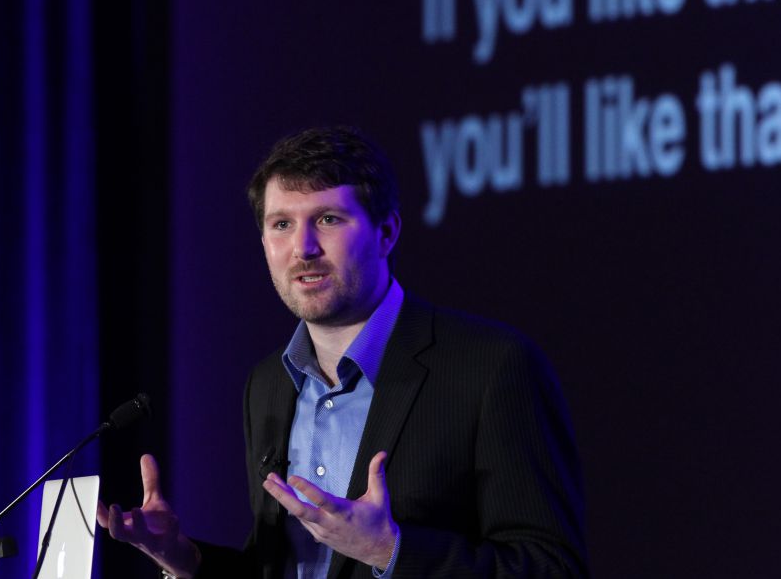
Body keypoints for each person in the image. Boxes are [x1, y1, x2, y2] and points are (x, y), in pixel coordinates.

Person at [98, 126, 588, 578]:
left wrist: (390, 550)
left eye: (328, 219)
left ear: (387, 231)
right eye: (281, 224)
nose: (303, 248)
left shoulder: (491, 368)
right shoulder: (267, 384)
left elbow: (552, 567)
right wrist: (185, 558)